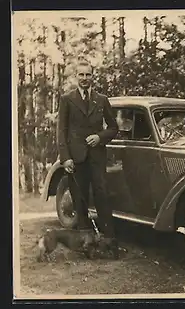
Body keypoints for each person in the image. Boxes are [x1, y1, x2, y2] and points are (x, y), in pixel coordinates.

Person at [57, 60, 119, 254]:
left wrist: (99, 137)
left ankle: (109, 241)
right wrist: (65, 157)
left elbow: (113, 128)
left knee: (102, 194)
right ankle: (85, 242)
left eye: (88, 75)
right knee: (80, 196)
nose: (85, 79)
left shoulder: (101, 100)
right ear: (76, 76)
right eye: (81, 75)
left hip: (97, 156)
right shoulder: (67, 99)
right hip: (76, 158)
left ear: (93, 76)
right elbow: (61, 131)